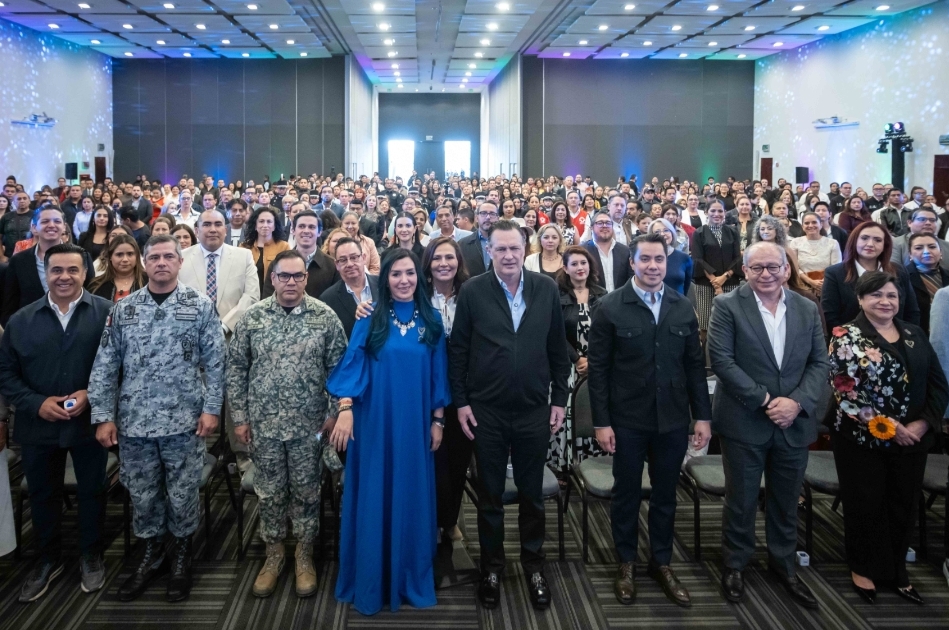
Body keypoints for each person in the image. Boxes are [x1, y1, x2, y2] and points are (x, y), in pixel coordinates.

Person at [88, 234, 224, 603]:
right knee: (143, 493)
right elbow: (105, 365)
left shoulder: (199, 306)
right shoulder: (124, 309)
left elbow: (216, 363)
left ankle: (181, 555)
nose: (161, 263)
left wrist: (212, 408)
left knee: (182, 493)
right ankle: (151, 553)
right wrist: (103, 416)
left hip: (185, 420)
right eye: (154, 257)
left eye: (168, 256)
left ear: (180, 262)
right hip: (135, 422)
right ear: (144, 263)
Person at [449, 219, 571, 611]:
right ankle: (491, 568)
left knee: (533, 496)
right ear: (489, 251)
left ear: (525, 249)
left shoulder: (546, 288)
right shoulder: (473, 291)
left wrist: (560, 399)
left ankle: (534, 566)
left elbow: (558, 350)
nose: (507, 255)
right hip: (486, 412)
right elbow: (458, 352)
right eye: (499, 248)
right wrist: (462, 402)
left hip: (534, 410)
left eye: (514, 248)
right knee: (490, 498)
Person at [588, 232, 711, 608]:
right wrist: (601, 422)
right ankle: (626, 562)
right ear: (632, 262)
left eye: (659, 259)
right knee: (625, 494)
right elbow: (598, 371)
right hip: (627, 419)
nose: (653, 266)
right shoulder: (609, 306)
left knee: (665, 495)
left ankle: (661, 562)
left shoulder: (681, 305)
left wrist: (702, 417)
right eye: (645, 259)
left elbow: (694, 367)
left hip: (672, 419)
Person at [327, 248, 450, 615]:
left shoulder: (432, 320)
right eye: (396, 274)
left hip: (414, 423)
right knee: (374, 494)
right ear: (385, 279)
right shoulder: (369, 317)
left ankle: (407, 576)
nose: (403, 280)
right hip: (374, 423)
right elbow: (351, 368)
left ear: (419, 277)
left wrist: (438, 420)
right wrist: (345, 410)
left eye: (410, 273)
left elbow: (439, 375)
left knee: (411, 493)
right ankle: (371, 579)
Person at [708, 242, 830, 610]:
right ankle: (735, 564)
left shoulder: (807, 308)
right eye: (757, 267)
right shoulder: (727, 305)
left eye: (773, 267)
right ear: (744, 271)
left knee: (786, 500)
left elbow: (819, 363)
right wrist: (765, 401)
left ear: (786, 269)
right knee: (742, 499)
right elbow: (722, 362)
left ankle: (784, 564)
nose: (766, 274)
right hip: (744, 419)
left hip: (794, 420)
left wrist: (796, 403)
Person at [226, 250, 348, 599]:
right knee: (270, 491)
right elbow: (236, 369)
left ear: (306, 278)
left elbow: (340, 370)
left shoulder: (324, 317)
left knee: (307, 491)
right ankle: (274, 553)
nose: (291, 282)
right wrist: (240, 418)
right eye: (284, 276)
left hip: (309, 426)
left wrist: (334, 413)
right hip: (263, 425)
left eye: (298, 276)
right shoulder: (253, 318)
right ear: (273, 278)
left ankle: (304, 554)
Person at [827, 271, 949, 605]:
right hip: (860, 438)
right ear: (861, 299)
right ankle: (863, 568)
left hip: (914, 438)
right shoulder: (845, 336)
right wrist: (891, 427)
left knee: (903, 502)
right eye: (876, 295)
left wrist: (924, 424)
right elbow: (845, 391)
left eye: (892, 296)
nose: (885, 302)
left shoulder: (913, 332)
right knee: (866, 502)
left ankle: (897, 570)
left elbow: (938, 384)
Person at [0, 244, 112, 601]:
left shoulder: (107, 314)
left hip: (89, 422)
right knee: (42, 494)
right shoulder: (20, 320)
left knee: (92, 491)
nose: (64, 277)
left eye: (73, 270)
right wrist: (37, 403)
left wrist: (91, 393)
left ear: (85, 273)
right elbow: (6, 374)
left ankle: (91, 556)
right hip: (38, 424)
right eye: (57, 270)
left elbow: (121, 365)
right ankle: (48, 559)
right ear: (45, 274)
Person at [551, 245, 606, 468]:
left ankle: (593, 465)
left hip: (597, 367)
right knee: (567, 415)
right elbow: (553, 333)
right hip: (567, 368)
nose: (580, 267)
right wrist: (577, 359)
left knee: (593, 412)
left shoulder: (602, 295)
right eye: (574, 264)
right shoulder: (556, 296)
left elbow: (608, 333)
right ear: (565, 268)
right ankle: (564, 466)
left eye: (583, 263)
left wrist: (593, 360)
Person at [2, 207, 94, 326]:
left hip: (75, 325)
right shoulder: (18, 261)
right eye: (45, 221)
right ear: (34, 228)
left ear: (64, 227)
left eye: (57, 221)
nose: (51, 225)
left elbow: (91, 293)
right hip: (31, 327)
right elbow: (10, 304)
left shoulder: (82, 256)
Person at [822, 222, 919, 332]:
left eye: (878, 240)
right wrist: (849, 339)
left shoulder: (899, 271)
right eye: (864, 238)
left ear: (885, 245)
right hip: (851, 339)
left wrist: (905, 336)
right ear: (854, 241)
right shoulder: (834, 273)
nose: (870, 244)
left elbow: (912, 311)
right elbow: (830, 316)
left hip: (896, 337)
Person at [179, 209, 259, 336]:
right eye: (206, 224)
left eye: (218, 224)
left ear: (225, 230)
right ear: (196, 231)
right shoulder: (180, 258)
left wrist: (224, 327)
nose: (213, 229)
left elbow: (251, 296)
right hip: (190, 335)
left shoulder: (244, 256)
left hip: (231, 336)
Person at [690, 200, 741, 338]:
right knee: (706, 323)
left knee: (731, 322)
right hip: (706, 283)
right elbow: (698, 259)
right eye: (713, 210)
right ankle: (706, 351)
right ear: (706, 212)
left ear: (725, 212)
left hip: (730, 282)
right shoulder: (699, 233)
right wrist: (716, 282)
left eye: (720, 211)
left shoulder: (733, 231)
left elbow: (737, 258)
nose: (716, 214)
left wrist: (725, 277)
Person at [264, 210, 340, 299]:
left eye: (311, 227)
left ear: (319, 232)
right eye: (301, 226)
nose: (306, 231)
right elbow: (267, 299)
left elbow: (335, 299)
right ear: (293, 230)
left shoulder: (333, 266)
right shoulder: (277, 264)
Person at [320, 237, 379, 338]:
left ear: (364, 258)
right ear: (337, 264)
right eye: (343, 260)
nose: (350, 264)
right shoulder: (328, 299)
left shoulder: (383, 285)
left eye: (354, 257)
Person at [241, 206, 289, 299]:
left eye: (269, 221)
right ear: (255, 225)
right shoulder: (243, 247)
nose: (265, 225)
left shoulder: (284, 247)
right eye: (261, 221)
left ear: (274, 226)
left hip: (274, 298)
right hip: (248, 297)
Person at [905, 233, 949, 334]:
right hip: (915, 335)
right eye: (919, 248)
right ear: (910, 254)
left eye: (932, 247)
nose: (927, 251)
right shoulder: (901, 277)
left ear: (941, 252)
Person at [788, 211, 841, 295]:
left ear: (821, 224)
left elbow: (836, 267)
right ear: (802, 226)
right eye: (807, 223)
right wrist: (811, 281)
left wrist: (822, 283)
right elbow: (794, 267)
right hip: (802, 285)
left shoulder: (833, 243)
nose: (810, 225)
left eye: (814, 222)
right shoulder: (795, 242)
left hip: (828, 284)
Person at [88, 235, 145, 302]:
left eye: (130, 254)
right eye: (119, 255)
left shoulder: (150, 282)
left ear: (137, 256)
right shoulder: (96, 285)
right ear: (110, 257)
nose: (125, 259)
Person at [583, 211, 631, 292]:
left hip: (620, 298)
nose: (605, 226)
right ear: (591, 227)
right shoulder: (583, 251)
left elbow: (630, 279)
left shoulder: (625, 251)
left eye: (608, 223)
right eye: (600, 223)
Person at [891, 206, 949, 272]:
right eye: (922, 219)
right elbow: (893, 271)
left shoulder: (947, 245)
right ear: (909, 223)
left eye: (932, 220)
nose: (928, 223)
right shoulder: (895, 243)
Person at [648, 218, 693, 295]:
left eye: (666, 230)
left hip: (678, 300)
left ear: (672, 233)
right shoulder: (645, 258)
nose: (662, 234)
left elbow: (686, 286)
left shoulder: (684, 258)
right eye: (657, 232)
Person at [458, 201, 499, 276]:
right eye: (483, 213)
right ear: (476, 218)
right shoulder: (463, 244)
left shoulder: (506, 243)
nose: (488, 217)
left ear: (497, 218)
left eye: (492, 214)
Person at [340, 210, 381, 275]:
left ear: (358, 225)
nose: (350, 226)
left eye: (353, 223)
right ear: (341, 225)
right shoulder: (335, 242)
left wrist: (367, 279)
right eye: (347, 223)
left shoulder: (369, 242)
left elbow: (375, 267)